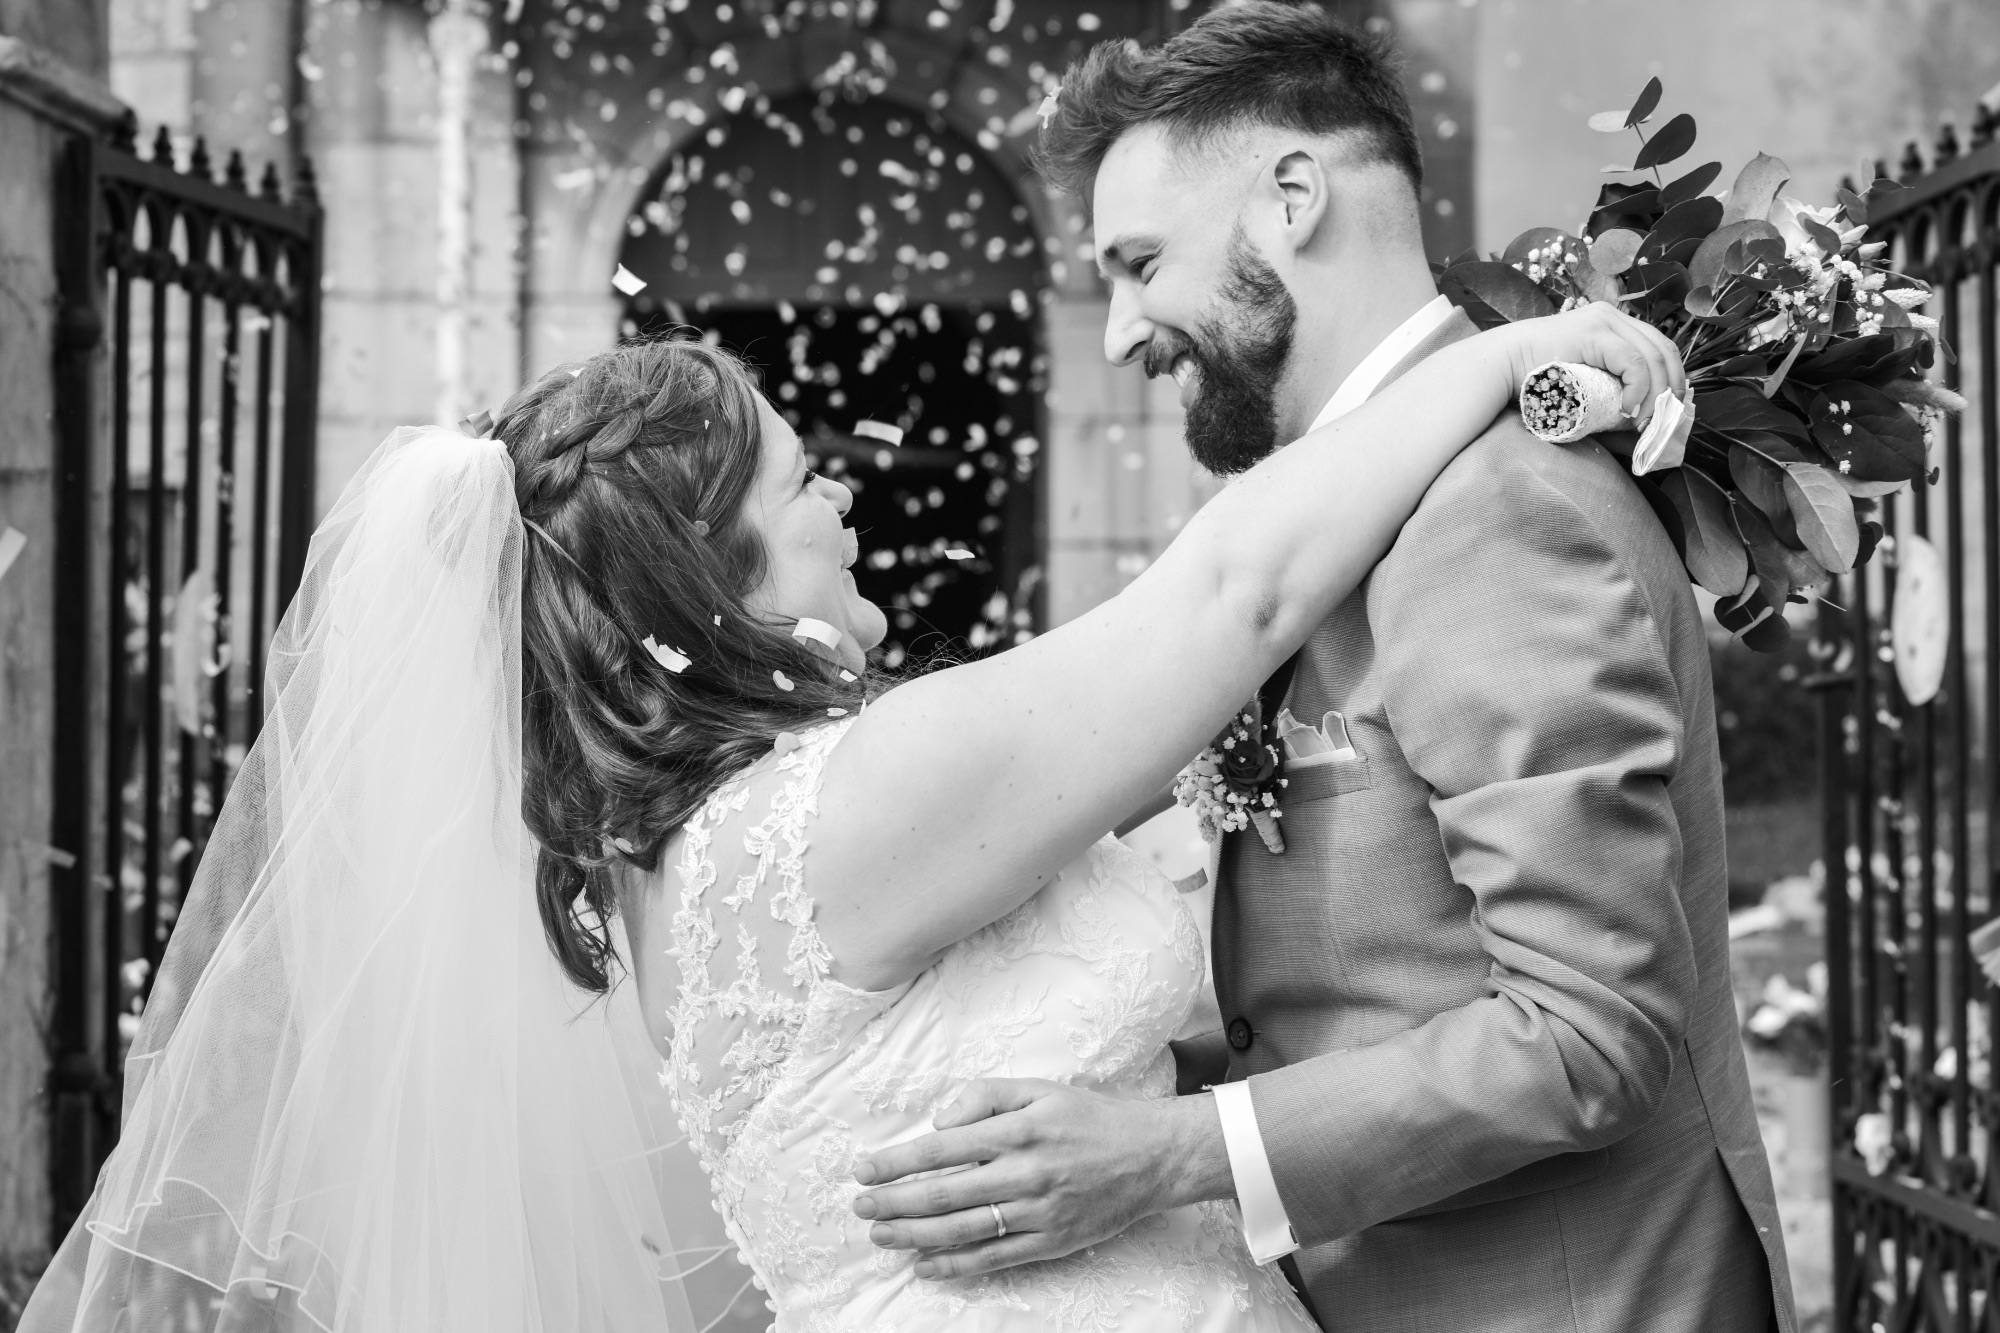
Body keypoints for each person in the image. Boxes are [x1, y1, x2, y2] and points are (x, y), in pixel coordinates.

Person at [20, 290, 1675, 1329]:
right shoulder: (853, 806)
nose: (849, 499)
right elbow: (1230, 596)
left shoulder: (652, 862)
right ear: (714, 560)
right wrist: (1511, 353)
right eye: (806, 477)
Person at [852, 6, 1795, 1332]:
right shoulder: (1342, 512)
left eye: (1139, 263)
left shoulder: (1494, 510)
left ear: (1293, 196)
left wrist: (1177, 1156)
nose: (1120, 331)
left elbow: (1592, 1033)